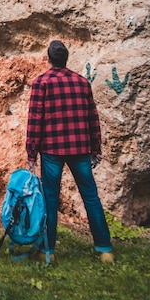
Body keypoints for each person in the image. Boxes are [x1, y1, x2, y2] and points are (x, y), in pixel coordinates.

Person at [26, 40, 114, 263]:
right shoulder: (82, 83)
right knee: (91, 197)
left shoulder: (42, 83)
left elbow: (35, 120)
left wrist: (31, 153)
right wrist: (96, 148)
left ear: (49, 58)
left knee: (50, 200)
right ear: (66, 58)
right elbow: (93, 118)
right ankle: (105, 249)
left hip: (52, 151)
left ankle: (48, 251)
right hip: (80, 149)